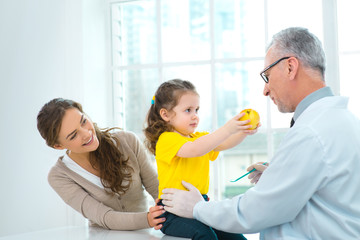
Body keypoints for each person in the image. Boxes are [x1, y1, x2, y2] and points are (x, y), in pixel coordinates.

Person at [160, 27, 360, 239]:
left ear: (291, 67)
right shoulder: (345, 121)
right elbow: (324, 190)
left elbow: (254, 211)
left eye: (267, 76)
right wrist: (278, 176)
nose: (265, 90)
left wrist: (198, 208)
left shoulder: (311, 132)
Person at [143, 79, 259, 240]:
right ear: (165, 114)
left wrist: (243, 131)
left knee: (234, 236)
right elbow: (195, 149)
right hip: (171, 212)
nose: (195, 116)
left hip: (199, 205)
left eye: (197, 110)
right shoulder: (166, 140)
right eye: (188, 110)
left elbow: (224, 143)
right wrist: (227, 128)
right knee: (205, 235)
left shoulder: (200, 138)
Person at [37, 98, 165, 230]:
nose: (86, 134)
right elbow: (105, 217)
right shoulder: (59, 176)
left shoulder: (127, 141)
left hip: (145, 234)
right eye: (73, 135)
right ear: (58, 146)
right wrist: (148, 219)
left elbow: (157, 188)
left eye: (83, 121)